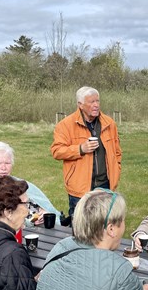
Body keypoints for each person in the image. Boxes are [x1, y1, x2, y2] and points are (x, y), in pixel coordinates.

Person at [51, 86, 122, 217]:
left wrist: (116, 171)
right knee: (80, 225)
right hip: (80, 187)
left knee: (105, 223)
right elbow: (57, 151)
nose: (96, 105)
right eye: (91, 102)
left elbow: (117, 152)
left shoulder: (109, 123)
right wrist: (80, 149)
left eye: (97, 101)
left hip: (105, 186)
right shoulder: (65, 125)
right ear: (80, 105)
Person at [0, 141, 61, 225]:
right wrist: (29, 222)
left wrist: (44, 214)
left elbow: (43, 207)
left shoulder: (20, 183)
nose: (4, 168)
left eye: (7, 163)